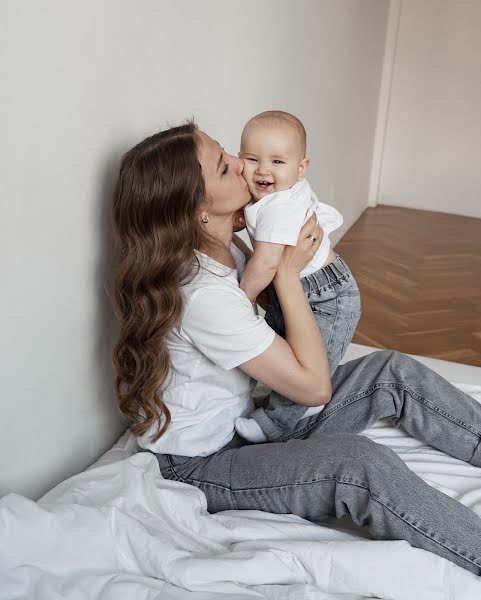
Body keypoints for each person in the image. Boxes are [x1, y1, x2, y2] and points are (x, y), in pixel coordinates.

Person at [111, 121, 481, 576]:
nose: (246, 167)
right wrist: (287, 275)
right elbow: (313, 387)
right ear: (200, 212)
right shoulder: (204, 295)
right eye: (227, 167)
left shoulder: (232, 251)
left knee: (390, 371)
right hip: (200, 464)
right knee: (356, 464)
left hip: (246, 423)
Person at [234, 110, 361, 443]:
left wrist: (242, 296)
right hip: (300, 286)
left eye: (277, 162)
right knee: (283, 340)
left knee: (313, 358)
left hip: (329, 297)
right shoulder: (275, 193)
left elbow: (265, 262)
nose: (263, 170)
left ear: (301, 168)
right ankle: (285, 392)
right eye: (251, 158)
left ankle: (277, 422)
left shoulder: (279, 207)